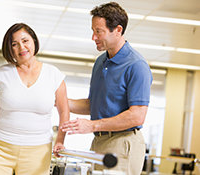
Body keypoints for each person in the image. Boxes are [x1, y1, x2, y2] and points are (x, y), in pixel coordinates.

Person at [0, 23, 70, 175]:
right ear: (10, 50)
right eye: (14, 44)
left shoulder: (53, 75)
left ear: (34, 41)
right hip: (0, 148)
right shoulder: (1, 75)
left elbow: (64, 111)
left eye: (25, 41)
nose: (21, 47)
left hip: (38, 151)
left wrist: (60, 140)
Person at [61, 2, 153, 174]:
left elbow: (137, 116)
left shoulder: (136, 65)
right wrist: (59, 101)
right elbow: (94, 105)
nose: (93, 37)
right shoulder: (100, 62)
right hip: (99, 141)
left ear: (118, 30)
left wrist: (92, 125)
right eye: (93, 30)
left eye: (99, 31)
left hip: (122, 143)